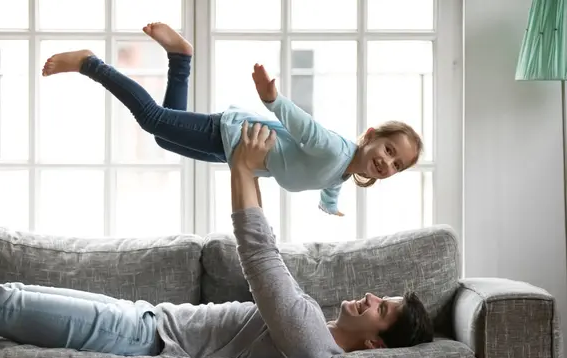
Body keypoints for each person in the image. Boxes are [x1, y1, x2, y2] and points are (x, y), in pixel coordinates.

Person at [0, 122, 434, 358]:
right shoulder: (315, 330)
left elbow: (259, 253)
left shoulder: (310, 338)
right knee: (1, 299)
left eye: (382, 308)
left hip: (141, 337)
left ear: (375, 343)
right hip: (143, 320)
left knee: (2, 305)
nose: (371, 297)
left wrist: (242, 166)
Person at [41, 22, 423, 216]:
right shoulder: (337, 149)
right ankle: (90, 63)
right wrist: (272, 99)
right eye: (389, 149)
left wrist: (329, 204)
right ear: (370, 135)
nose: (387, 162)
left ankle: (180, 58)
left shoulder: (343, 170)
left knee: (161, 135)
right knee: (152, 119)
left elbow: (330, 180)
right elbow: (306, 127)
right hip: (236, 134)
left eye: (397, 164)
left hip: (235, 152)